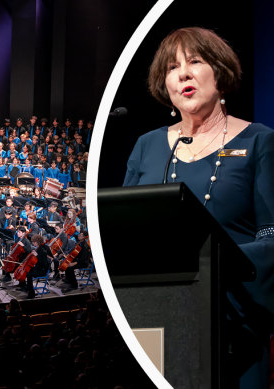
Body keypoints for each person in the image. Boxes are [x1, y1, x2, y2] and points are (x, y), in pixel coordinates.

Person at [123, 27, 274, 387]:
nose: (183, 73)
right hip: (158, 319)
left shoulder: (259, 141)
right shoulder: (147, 146)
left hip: (232, 318)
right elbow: (123, 230)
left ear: (219, 72)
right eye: (172, 67)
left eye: (195, 61)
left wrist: (210, 261)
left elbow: (271, 236)